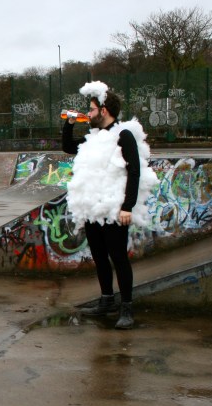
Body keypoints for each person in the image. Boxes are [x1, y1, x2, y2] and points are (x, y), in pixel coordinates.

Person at [62, 81, 157, 329]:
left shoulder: (123, 135)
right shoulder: (93, 138)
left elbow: (134, 172)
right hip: (94, 209)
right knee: (99, 257)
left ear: (103, 110)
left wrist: (128, 206)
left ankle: (127, 308)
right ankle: (106, 300)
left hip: (115, 210)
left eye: (92, 109)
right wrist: (69, 124)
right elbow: (68, 147)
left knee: (118, 258)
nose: (88, 114)